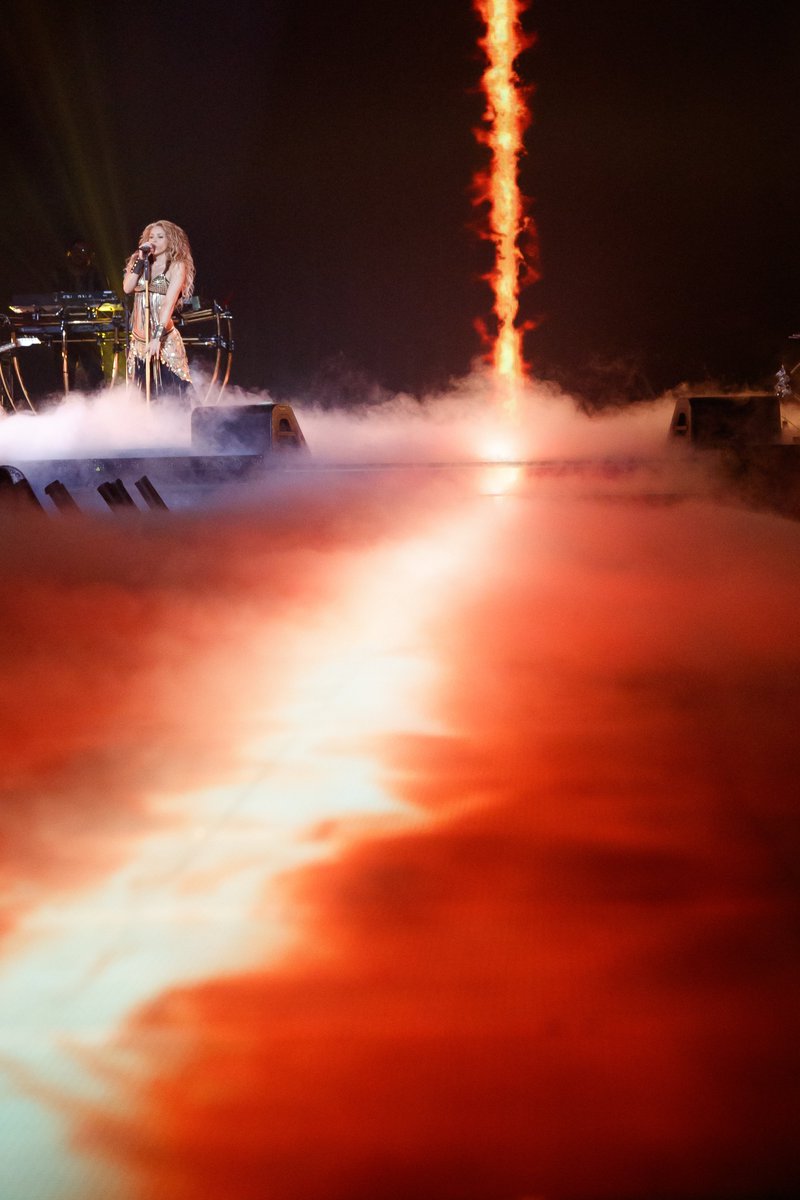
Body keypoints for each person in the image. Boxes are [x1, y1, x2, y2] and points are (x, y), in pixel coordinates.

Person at [122, 219, 195, 399]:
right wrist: (140, 259)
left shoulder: (177, 265)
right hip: (139, 341)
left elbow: (169, 302)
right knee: (142, 395)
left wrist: (156, 337)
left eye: (160, 237)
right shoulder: (139, 262)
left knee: (173, 394)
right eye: (151, 236)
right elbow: (127, 288)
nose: (154, 240)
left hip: (163, 338)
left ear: (170, 240)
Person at [53, 237, 108, 391]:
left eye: (84, 251)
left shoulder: (95, 273)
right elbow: (52, 297)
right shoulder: (60, 272)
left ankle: (100, 403)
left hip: (88, 328)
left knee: (94, 371)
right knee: (64, 371)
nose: (80, 254)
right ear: (69, 252)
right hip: (64, 328)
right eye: (77, 250)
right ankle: (64, 403)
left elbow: (106, 296)